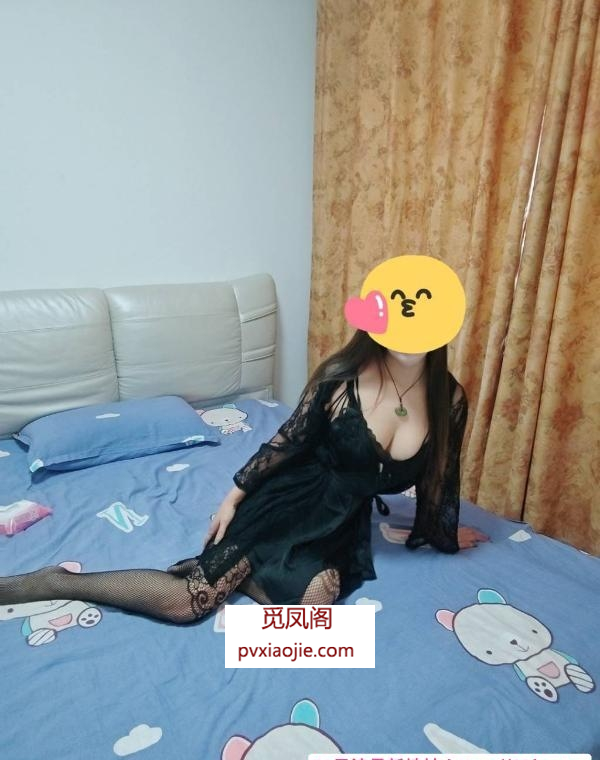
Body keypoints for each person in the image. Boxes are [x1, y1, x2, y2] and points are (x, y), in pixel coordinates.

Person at [0, 331, 487, 623]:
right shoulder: (342, 376)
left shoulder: (448, 399)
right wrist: (234, 496)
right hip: (286, 499)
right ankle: (55, 582)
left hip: (341, 521)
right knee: (190, 603)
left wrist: (440, 531)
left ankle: (248, 577)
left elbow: (439, 477)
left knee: (317, 604)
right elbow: (287, 442)